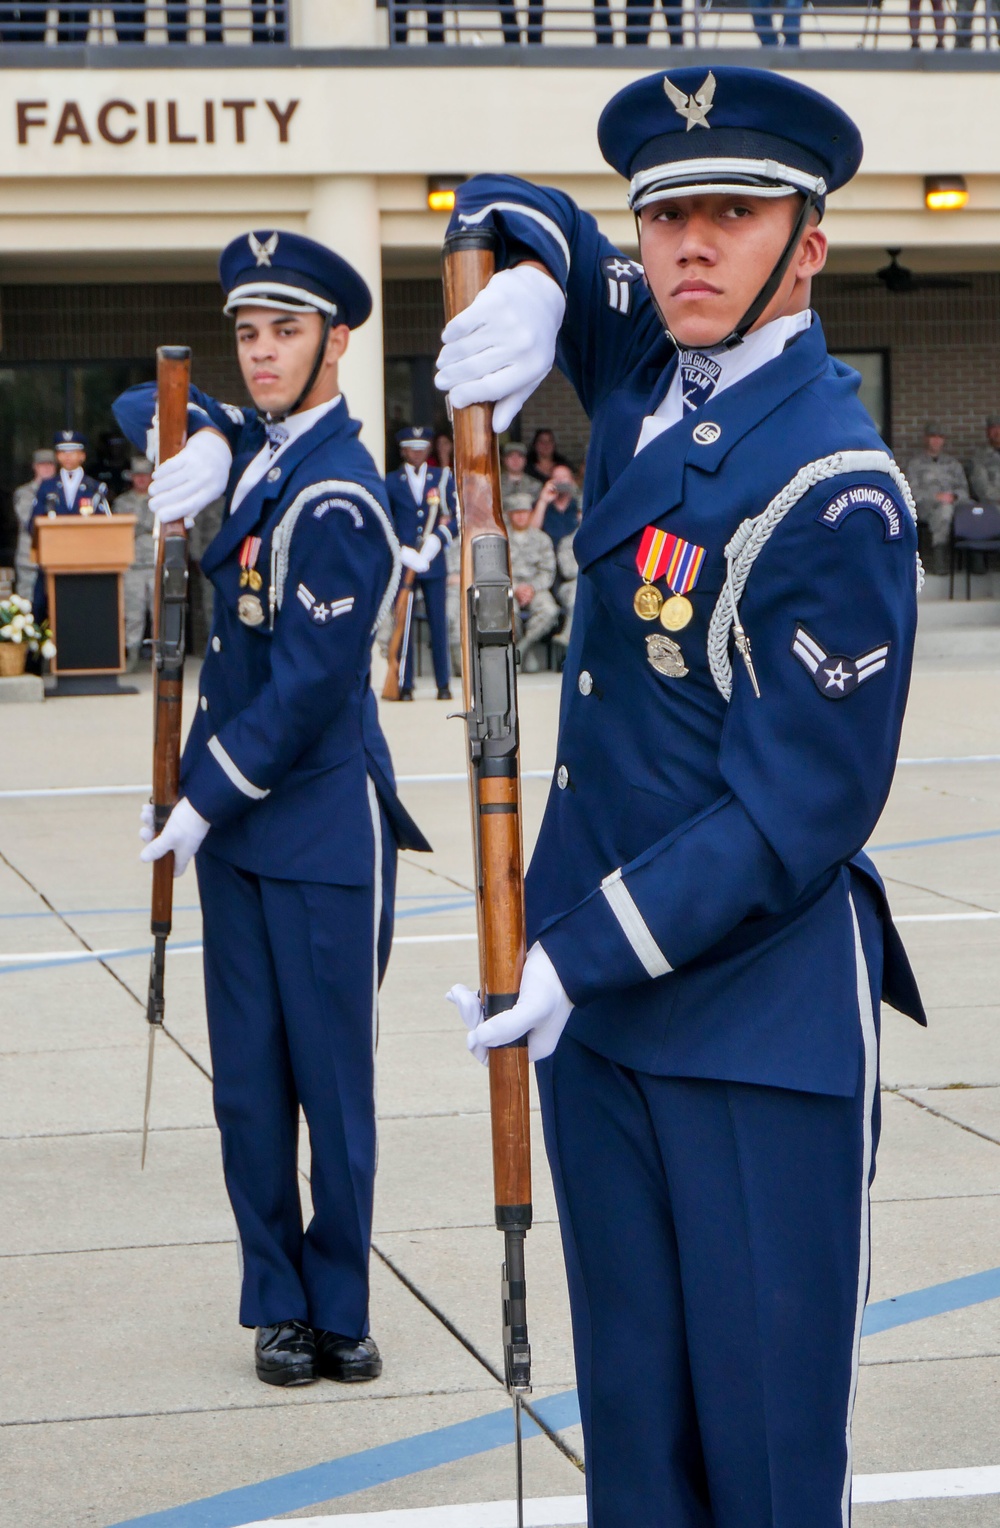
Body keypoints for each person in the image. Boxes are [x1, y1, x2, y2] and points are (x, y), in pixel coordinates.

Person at [437, 64, 925, 1528]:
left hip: (750, 1030)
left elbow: (795, 816)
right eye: (666, 219)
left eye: (734, 212)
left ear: (811, 243)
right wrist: (524, 273)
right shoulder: (650, 362)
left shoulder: (840, 488)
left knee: (765, 1465)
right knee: (639, 1454)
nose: (691, 247)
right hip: (603, 1027)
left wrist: (570, 953)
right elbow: (493, 204)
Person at [114, 228, 430, 1391]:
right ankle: (276, 1301)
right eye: (246, 333)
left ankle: (339, 1300)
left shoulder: (343, 490)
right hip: (234, 830)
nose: (258, 352)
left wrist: (199, 797)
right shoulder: (251, 449)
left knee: (330, 1082)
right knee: (249, 1081)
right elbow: (128, 395)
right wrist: (201, 427)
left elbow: (305, 688)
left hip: (310, 823)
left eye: (283, 331)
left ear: (335, 342)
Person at [385, 424, 458, 701]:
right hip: (404, 563)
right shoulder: (391, 481)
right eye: (411, 449)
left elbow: (456, 517)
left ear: (428, 449)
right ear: (403, 451)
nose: (417, 454)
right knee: (403, 623)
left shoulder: (442, 477)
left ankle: (443, 684)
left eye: (422, 449)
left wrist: (438, 539)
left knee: (438, 623)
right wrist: (401, 550)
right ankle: (404, 684)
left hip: (433, 562)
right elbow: (385, 518)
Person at [29, 430, 109, 621]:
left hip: (86, 563)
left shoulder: (95, 488)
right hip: (53, 559)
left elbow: (107, 527)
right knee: (42, 606)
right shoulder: (47, 487)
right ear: (57, 456)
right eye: (63, 452)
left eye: (73, 452)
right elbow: (33, 524)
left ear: (82, 456)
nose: (67, 456)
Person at [905, 423, 969, 575]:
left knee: (975, 512)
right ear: (926, 439)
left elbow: (964, 490)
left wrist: (953, 497)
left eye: (940, 437)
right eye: (933, 437)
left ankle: (976, 559)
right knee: (944, 511)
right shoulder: (916, 464)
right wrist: (935, 497)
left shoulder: (953, 464)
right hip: (925, 507)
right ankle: (940, 558)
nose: (936, 441)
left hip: (954, 505)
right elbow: (911, 492)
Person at [112, 455, 155, 668]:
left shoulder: (160, 498)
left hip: (156, 563)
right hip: (132, 564)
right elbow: (121, 530)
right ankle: (133, 654)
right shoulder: (122, 502)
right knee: (133, 613)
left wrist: (137, 527)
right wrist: (144, 526)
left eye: (145, 476)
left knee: (159, 613)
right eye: (137, 476)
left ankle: (161, 655)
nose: (141, 480)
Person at [507, 489, 559, 667]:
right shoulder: (501, 538)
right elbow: (496, 571)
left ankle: (523, 647)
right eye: (516, 513)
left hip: (536, 589)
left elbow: (548, 571)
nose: (521, 517)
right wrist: (515, 589)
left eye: (524, 513)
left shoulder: (541, 539)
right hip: (508, 589)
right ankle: (518, 653)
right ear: (509, 514)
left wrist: (531, 589)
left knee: (549, 610)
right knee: (507, 612)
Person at [13, 449, 56, 603]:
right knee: (27, 608)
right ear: (35, 467)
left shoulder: (62, 492)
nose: (46, 468)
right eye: (42, 464)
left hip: (57, 559)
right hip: (30, 560)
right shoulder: (24, 493)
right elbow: (30, 521)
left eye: (50, 464)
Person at [532, 462, 581, 548]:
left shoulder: (579, 506)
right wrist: (543, 501)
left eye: (564, 477)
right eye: (556, 477)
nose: (560, 480)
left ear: (572, 481)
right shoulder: (541, 505)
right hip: (547, 554)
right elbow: (532, 531)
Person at [967, 414, 1000, 506]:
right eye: (994, 428)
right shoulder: (978, 457)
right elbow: (982, 489)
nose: (998, 432)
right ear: (987, 432)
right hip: (992, 506)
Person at [553, 529, 578, 651]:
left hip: (598, 583)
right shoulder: (568, 542)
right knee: (576, 593)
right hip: (570, 585)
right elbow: (568, 571)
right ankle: (568, 635)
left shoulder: (606, 538)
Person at [500, 440, 531, 521]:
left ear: (525, 460)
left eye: (519, 456)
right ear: (504, 460)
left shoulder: (536, 486)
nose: (515, 460)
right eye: (511, 456)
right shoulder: (494, 486)